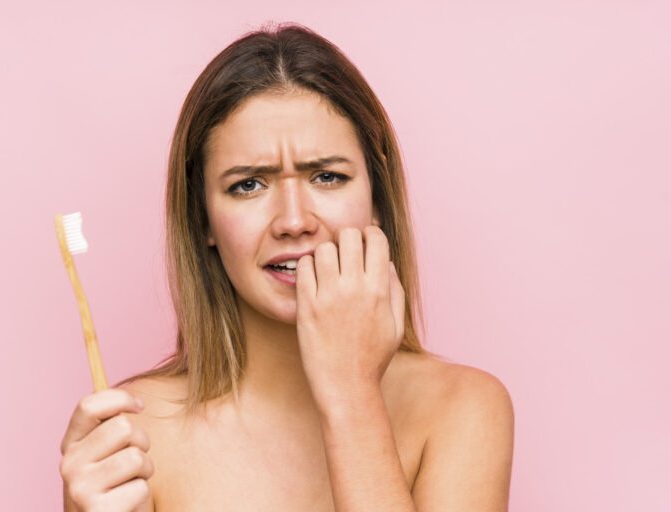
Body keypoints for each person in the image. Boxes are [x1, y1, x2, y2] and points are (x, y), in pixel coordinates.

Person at [59, 22, 514, 512]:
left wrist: (351, 391)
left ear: (377, 200)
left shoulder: (463, 410)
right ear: (203, 217)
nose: (294, 222)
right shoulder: (132, 437)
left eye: (327, 176)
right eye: (249, 185)